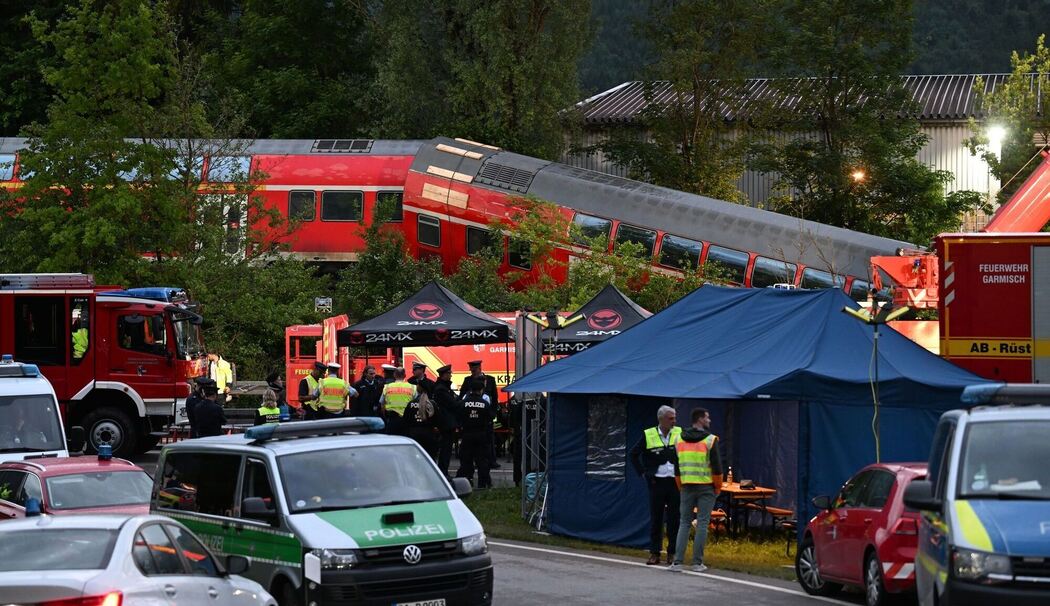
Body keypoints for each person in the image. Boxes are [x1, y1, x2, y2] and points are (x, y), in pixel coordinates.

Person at [669, 407, 723, 573]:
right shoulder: (710, 440)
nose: (709, 420)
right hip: (706, 487)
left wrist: (681, 485)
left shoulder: (678, 439)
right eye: (707, 417)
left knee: (684, 523)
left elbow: (676, 468)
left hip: (686, 486)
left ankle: (677, 562)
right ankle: (697, 563)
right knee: (702, 523)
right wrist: (718, 487)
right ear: (700, 419)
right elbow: (717, 468)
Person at [630, 405, 682, 565]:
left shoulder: (679, 433)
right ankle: (654, 553)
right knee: (656, 518)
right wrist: (643, 472)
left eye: (675, 418)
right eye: (670, 418)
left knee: (674, 518)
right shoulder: (649, 434)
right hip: (656, 482)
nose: (674, 421)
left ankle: (672, 552)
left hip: (675, 482)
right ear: (661, 419)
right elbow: (633, 454)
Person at [456, 378, 498, 488]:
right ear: (481, 390)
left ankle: (466, 483)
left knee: (466, 460)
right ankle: (482, 484)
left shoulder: (463, 403)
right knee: (482, 461)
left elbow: (458, 416)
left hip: (467, 434)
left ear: (471, 390)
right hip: (481, 435)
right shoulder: (485, 403)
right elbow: (491, 417)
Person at [459, 360, 502, 469]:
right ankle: (474, 462)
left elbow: (495, 398)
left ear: (479, 368)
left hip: (486, 414)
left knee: (489, 438)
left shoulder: (490, 380)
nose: (472, 372)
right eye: (471, 370)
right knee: (473, 441)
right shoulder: (468, 380)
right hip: (472, 415)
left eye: (474, 370)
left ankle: (491, 460)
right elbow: (462, 396)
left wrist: (493, 413)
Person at [431, 364, 460, 479]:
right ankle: (443, 472)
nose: (451, 375)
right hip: (445, 423)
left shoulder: (443, 387)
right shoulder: (441, 389)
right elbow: (453, 404)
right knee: (445, 449)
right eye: (449, 373)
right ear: (444, 375)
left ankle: (443, 471)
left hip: (445, 423)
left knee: (446, 449)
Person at [380, 367, 416, 435]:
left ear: (394, 375)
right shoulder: (413, 387)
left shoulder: (387, 387)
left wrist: (386, 417)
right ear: (405, 375)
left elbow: (382, 405)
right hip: (407, 420)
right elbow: (416, 404)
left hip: (392, 419)